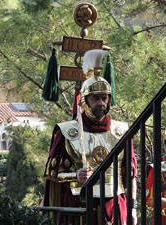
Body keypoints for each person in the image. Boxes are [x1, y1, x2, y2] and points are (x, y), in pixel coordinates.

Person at [42, 49, 137, 225]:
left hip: (114, 203)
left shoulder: (121, 131)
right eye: (95, 98)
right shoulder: (66, 131)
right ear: (84, 101)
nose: (101, 103)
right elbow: (52, 174)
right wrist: (74, 175)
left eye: (104, 98)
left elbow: (129, 174)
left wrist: (132, 208)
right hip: (78, 204)